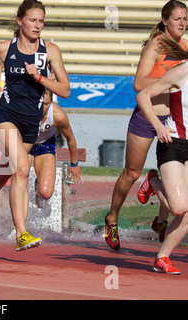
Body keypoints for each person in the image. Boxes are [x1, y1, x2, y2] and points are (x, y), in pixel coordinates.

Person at [0, 0, 70, 251]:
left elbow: (66, 90)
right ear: (20, 21)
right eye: (32, 20)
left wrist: (40, 77)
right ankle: (22, 234)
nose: (37, 25)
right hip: (5, 116)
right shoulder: (4, 48)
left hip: (31, 122)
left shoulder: (50, 51)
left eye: (41, 21)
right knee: (22, 169)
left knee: (4, 173)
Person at [104, 0, 187, 250]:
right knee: (131, 173)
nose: (182, 23)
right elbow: (139, 84)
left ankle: (160, 221)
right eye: (177, 19)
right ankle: (112, 217)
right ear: (165, 21)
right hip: (147, 116)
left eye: (185, 19)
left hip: (172, 120)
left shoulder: (183, 45)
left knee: (175, 176)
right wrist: (170, 80)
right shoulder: (156, 45)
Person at [136, 34, 188, 274]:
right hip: (173, 143)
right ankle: (153, 181)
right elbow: (142, 95)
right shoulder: (180, 73)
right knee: (179, 208)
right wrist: (158, 126)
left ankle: (162, 257)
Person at [29, 89, 81, 207]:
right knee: (20, 177)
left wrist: (74, 163)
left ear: (51, 103)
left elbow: (70, 138)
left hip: (45, 143)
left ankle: (38, 185)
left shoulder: (58, 115)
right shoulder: (25, 107)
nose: (41, 107)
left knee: (46, 193)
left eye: (46, 104)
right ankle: (19, 223)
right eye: (39, 103)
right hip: (24, 142)